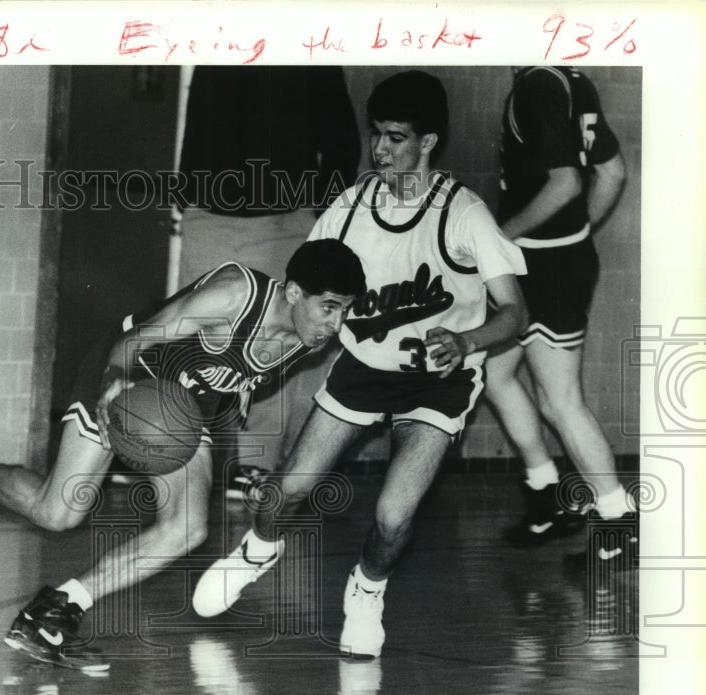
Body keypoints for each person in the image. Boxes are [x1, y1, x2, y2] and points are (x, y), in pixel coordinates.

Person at [192, 70, 529, 659]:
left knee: (394, 515)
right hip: (364, 367)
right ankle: (257, 550)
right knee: (285, 493)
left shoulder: (464, 214)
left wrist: (469, 342)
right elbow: (303, 303)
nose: (379, 149)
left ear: (428, 143)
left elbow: (515, 314)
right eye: (375, 134)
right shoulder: (348, 210)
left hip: (438, 380)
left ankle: (367, 591)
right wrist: (253, 363)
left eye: (396, 137)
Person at [0, 239, 365, 662]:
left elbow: (232, 385)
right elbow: (135, 341)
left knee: (186, 528)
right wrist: (113, 388)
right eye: (328, 307)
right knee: (59, 513)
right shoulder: (234, 297)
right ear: (292, 292)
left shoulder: (307, 339)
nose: (335, 323)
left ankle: (57, 609)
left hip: (184, 407)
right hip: (131, 372)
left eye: (344, 310)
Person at [177, 66, 361, 498]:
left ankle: (256, 465)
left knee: (277, 345)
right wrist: (189, 195)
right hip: (208, 214)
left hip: (284, 217)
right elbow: (197, 124)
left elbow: (341, 140)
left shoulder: (310, 49)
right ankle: (183, 461)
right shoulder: (218, 41)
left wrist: (320, 213)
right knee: (191, 343)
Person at [484, 66, 634, 569]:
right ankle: (546, 493)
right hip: (545, 261)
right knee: (495, 373)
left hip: (544, 266)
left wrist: (499, 238)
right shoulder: (573, 78)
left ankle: (619, 523)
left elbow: (567, 182)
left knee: (560, 400)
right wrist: (578, 233)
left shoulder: (536, 86)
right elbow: (611, 172)